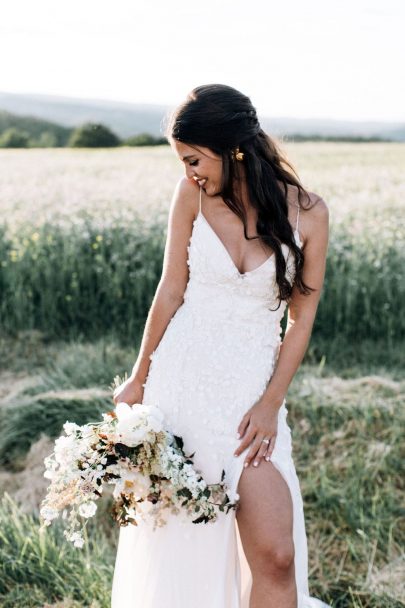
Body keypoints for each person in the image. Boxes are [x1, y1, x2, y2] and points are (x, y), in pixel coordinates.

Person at [111, 84, 330, 608]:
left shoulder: (310, 214)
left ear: (233, 148)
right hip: (179, 384)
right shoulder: (191, 196)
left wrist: (271, 403)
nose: (189, 173)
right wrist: (139, 376)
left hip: (248, 400)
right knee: (183, 544)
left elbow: (300, 320)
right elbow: (170, 289)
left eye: (193, 159)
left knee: (276, 556)